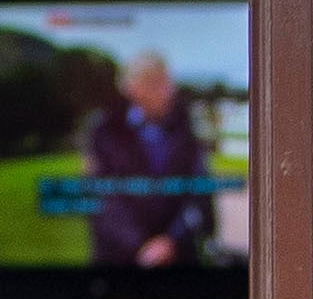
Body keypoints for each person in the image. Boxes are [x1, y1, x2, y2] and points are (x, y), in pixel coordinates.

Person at [77, 48, 221, 268]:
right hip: (121, 261)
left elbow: (200, 194)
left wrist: (172, 240)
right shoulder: (104, 131)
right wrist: (140, 246)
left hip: (180, 261)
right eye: (154, 83)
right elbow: (100, 197)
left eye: (167, 83)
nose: (165, 91)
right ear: (132, 89)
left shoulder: (188, 130)